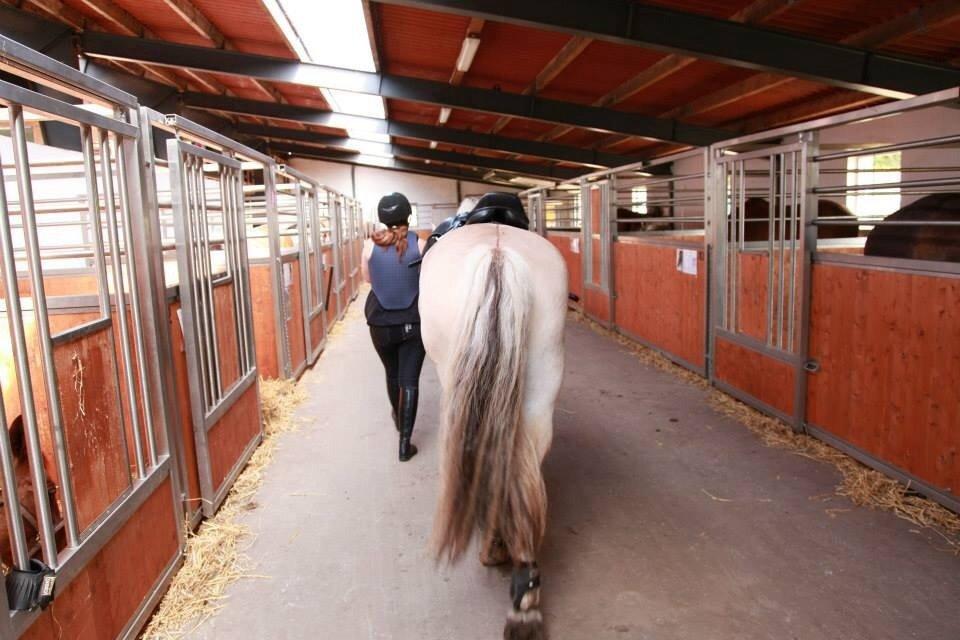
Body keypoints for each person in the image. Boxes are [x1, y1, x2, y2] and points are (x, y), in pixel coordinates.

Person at [361, 193, 426, 461]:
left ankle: (399, 420)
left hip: (380, 322)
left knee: (392, 374)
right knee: (409, 381)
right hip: (413, 321)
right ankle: (404, 445)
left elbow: (368, 279)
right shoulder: (420, 244)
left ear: (382, 218)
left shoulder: (369, 245)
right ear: (408, 215)